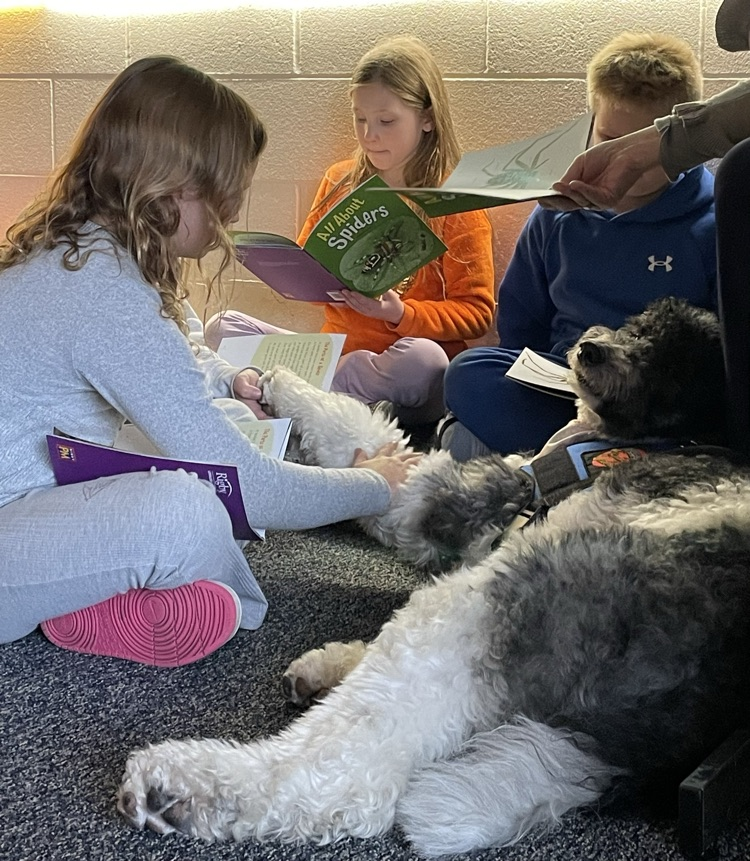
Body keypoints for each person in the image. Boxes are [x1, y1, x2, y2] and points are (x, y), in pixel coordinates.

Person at [0, 56, 422, 667]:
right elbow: (252, 487)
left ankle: (89, 595)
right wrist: (376, 486)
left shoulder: (84, 254)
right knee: (191, 507)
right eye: (231, 190)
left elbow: (183, 379)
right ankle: (90, 597)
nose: (233, 210)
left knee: (173, 472)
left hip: (31, 502)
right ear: (177, 186)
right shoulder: (103, 288)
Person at [439, 31, 717, 461]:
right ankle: (592, 456)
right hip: (567, 387)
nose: (620, 160)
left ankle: (569, 456)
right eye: (607, 139)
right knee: (468, 373)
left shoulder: (713, 222)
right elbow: (520, 324)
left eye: (640, 147)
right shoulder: (557, 215)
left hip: (658, 407)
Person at [206, 35, 496, 428]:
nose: (368, 135)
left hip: (400, 367)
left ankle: (292, 394)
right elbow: (311, 260)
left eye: (386, 121)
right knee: (222, 326)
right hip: (332, 356)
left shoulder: (456, 204)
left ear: (427, 118)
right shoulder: (340, 180)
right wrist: (295, 273)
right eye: (359, 118)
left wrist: (399, 312)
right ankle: (316, 396)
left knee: (427, 361)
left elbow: (476, 315)